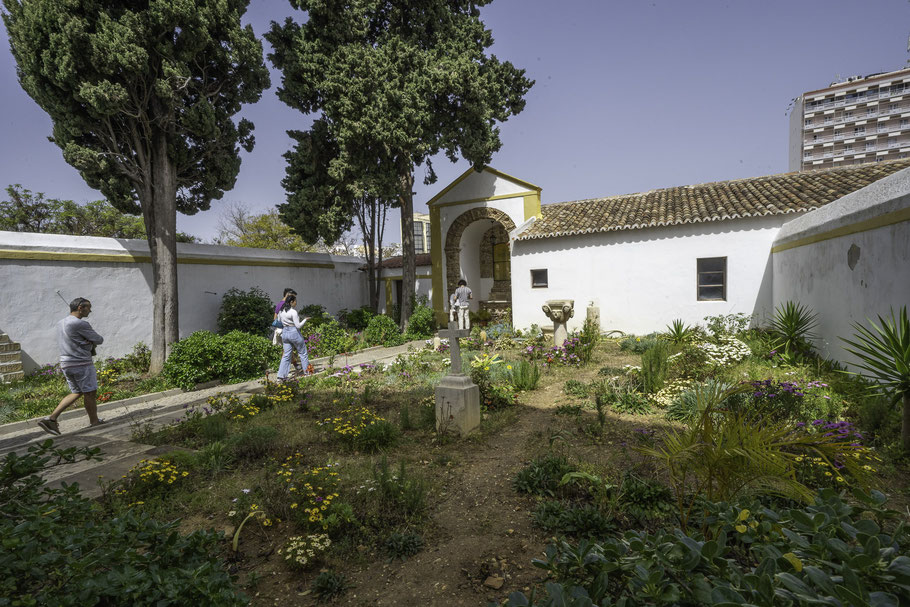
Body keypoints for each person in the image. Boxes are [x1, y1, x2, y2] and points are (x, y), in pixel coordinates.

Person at [37, 297, 105, 435]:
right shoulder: (81, 324)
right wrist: (89, 343)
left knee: (77, 392)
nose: (90, 311)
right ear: (80, 307)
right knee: (90, 392)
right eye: (88, 307)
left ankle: (51, 418)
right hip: (81, 363)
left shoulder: (60, 323)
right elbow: (99, 339)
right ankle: (94, 422)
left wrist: (85, 342)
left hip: (66, 363)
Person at [277, 293, 310, 381]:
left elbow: (279, 321)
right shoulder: (293, 312)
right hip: (294, 332)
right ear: (291, 302)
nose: (296, 303)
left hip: (285, 333)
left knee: (286, 355)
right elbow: (298, 326)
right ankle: (307, 372)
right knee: (302, 353)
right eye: (295, 301)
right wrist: (305, 320)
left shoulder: (281, 311)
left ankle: (281, 376)